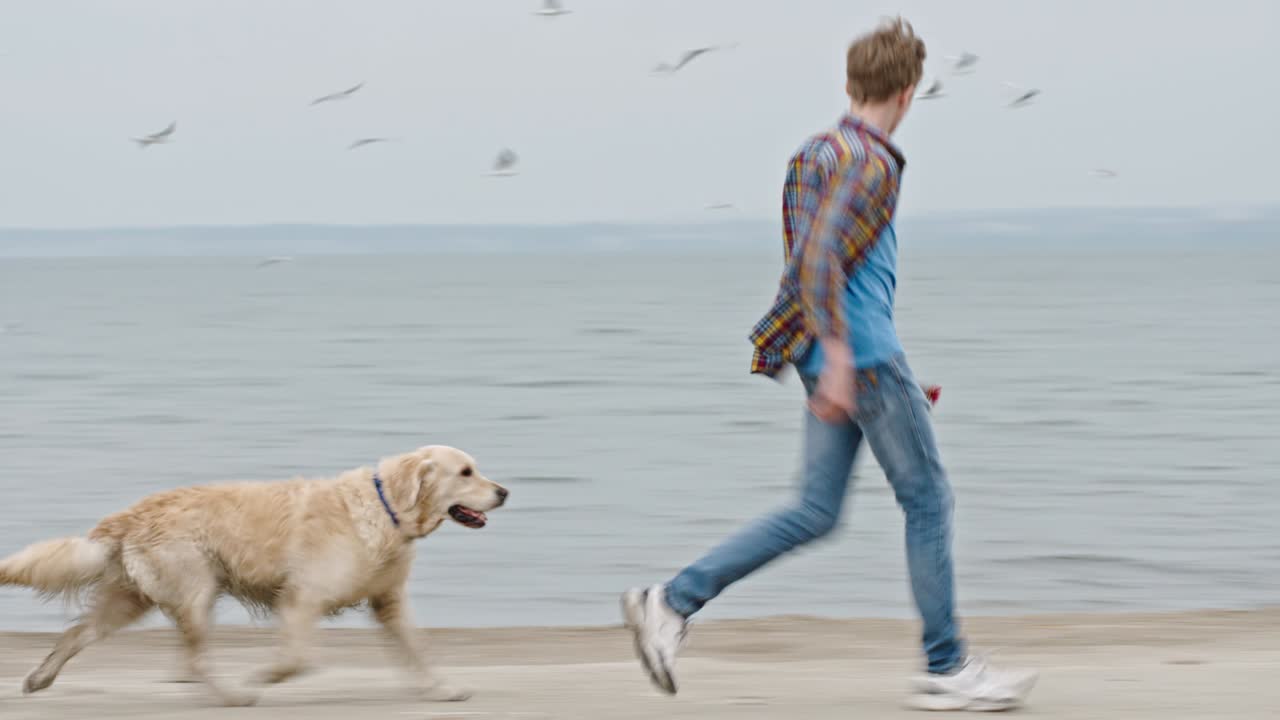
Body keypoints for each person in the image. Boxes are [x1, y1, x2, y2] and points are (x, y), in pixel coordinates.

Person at [621, 17, 1038, 712]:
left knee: (815, 510)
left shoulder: (814, 151)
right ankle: (947, 666)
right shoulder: (872, 162)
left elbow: (816, 259)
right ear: (908, 94)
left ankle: (670, 601)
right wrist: (850, 358)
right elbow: (818, 260)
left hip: (833, 355)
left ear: (850, 84)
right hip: (860, 356)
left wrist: (829, 357)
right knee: (929, 503)